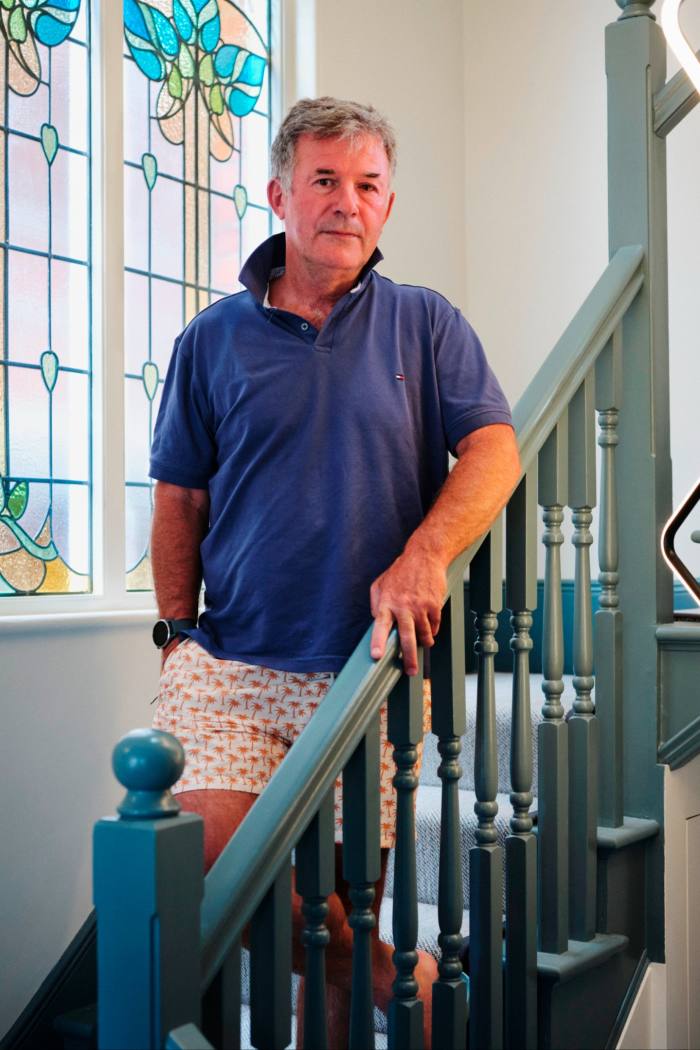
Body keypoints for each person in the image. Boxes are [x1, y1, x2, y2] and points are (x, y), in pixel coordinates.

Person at [149, 96, 520, 1048]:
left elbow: (493, 450)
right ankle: (406, 971)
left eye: (367, 186)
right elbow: (179, 503)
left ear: (388, 206)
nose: (346, 204)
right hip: (231, 665)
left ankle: (381, 973)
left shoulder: (425, 325)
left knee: (339, 930)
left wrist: (423, 555)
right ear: (279, 194)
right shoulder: (211, 341)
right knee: (215, 867)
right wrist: (172, 634)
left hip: (368, 677)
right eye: (324, 182)